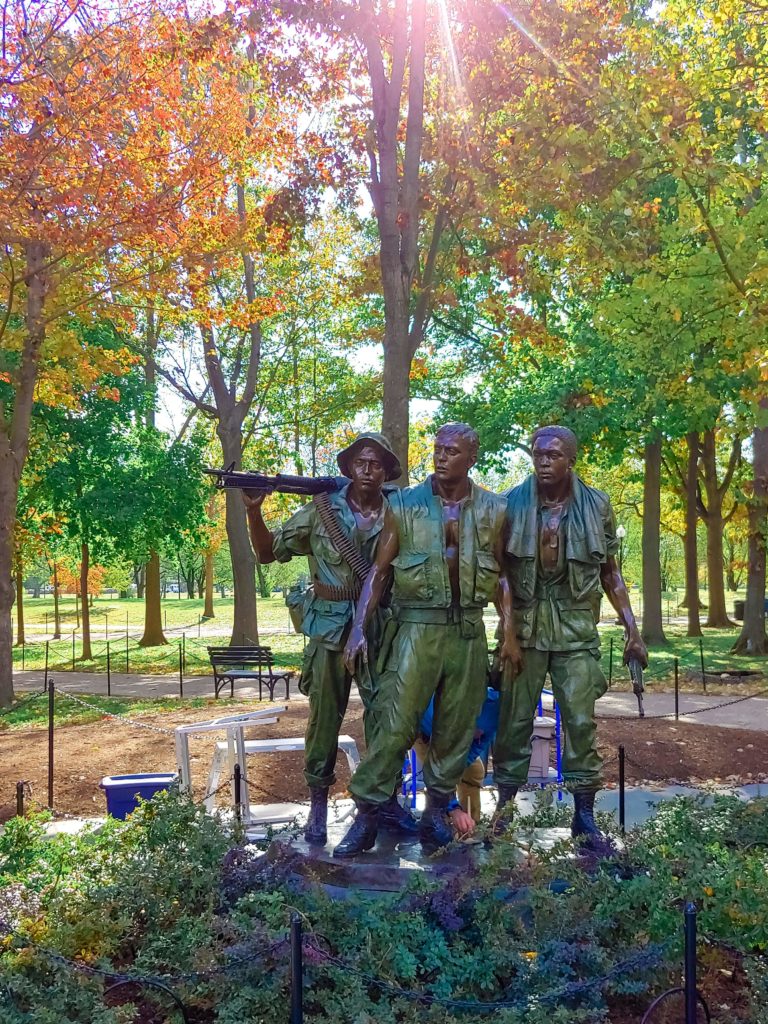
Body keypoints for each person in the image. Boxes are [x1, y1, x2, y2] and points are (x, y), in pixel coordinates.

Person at [334, 423, 520, 858]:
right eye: (437, 449)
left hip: (468, 631)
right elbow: (379, 572)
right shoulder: (404, 504)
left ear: (471, 458)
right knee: (397, 722)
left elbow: (502, 578)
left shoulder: (495, 509)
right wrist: (359, 627)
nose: (440, 457)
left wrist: (509, 632)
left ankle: (436, 811)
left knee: (456, 726)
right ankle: (368, 813)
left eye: (451, 451)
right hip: (417, 627)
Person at [242, 432, 417, 845]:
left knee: (387, 720)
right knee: (323, 720)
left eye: (376, 463)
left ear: (387, 471)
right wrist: (254, 512)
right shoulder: (320, 510)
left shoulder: (403, 511)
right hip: (328, 629)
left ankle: (382, 803)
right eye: (360, 462)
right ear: (347, 468)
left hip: (380, 629)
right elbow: (268, 554)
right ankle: (318, 807)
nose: (368, 469)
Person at [493, 425, 648, 845]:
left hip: (576, 628)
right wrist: (507, 632)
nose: (543, 462)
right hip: (522, 629)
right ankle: (504, 812)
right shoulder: (508, 504)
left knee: (580, 722)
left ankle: (584, 817)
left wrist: (633, 629)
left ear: (570, 460)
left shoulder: (597, 506)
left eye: (553, 455)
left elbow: (610, 572)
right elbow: (499, 575)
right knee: (513, 722)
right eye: (538, 454)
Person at [416, 687, 500, 832]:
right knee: (437, 785)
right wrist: (453, 808)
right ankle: (439, 826)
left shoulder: (496, 709)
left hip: (454, 734)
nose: (477, 735)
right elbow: (438, 773)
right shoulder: (446, 715)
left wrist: (463, 764)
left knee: (473, 771)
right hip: (425, 733)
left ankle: (469, 827)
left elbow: (483, 740)